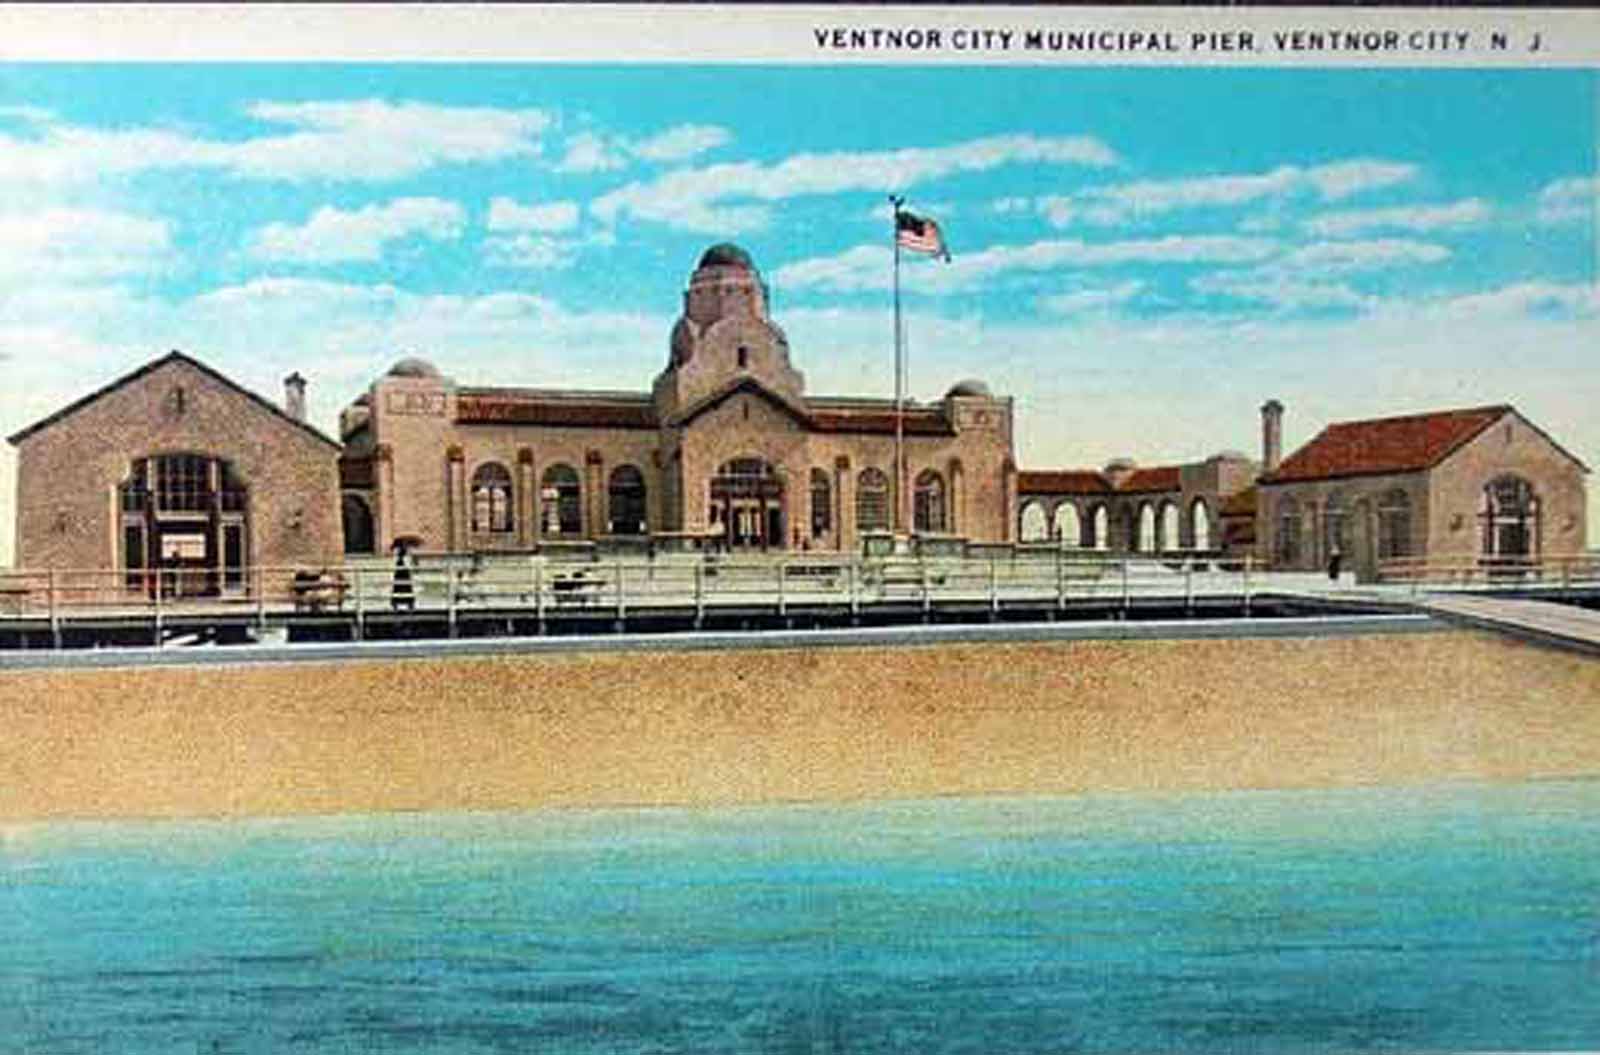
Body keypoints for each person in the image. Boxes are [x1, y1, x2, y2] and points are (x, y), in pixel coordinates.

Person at [391, 541, 416, 611]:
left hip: (402, 573)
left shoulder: (402, 556)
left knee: (401, 587)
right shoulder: (403, 556)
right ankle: (407, 603)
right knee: (403, 587)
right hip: (402, 573)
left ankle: (399, 603)